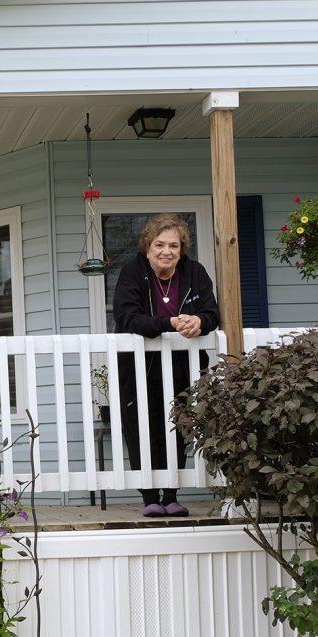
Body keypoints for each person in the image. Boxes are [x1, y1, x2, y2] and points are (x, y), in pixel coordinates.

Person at [112, 213, 220, 518]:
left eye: (174, 245)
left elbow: (212, 314)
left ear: (181, 248)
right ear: (148, 247)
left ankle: (171, 494)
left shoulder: (194, 272)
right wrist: (169, 323)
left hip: (182, 365)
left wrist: (199, 320)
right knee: (142, 428)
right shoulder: (132, 272)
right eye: (159, 244)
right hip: (139, 367)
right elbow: (127, 317)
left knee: (177, 426)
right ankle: (149, 497)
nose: (166, 251)